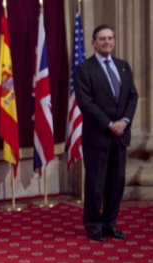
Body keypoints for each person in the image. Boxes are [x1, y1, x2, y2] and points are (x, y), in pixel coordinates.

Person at [74, 24, 138, 242]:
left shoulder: (123, 67)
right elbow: (86, 103)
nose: (107, 42)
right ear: (93, 42)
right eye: (102, 38)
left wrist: (124, 122)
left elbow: (132, 96)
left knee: (116, 181)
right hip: (97, 136)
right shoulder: (84, 69)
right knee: (95, 183)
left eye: (110, 38)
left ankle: (110, 223)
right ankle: (93, 225)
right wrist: (110, 123)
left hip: (120, 136)